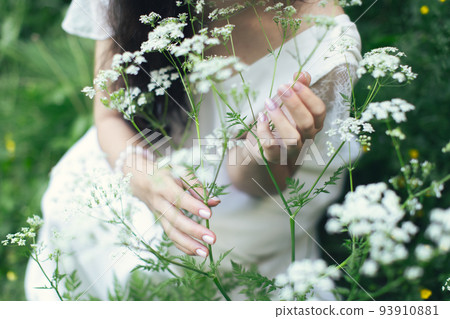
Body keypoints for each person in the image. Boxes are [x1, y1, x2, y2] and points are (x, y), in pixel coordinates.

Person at [25, 0, 362, 300]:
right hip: (137, 150)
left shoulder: (325, 40)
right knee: (81, 217)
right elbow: (109, 114)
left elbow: (257, 185)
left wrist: (264, 151)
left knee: (195, 266)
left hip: (246, 202)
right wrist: (142, 175)